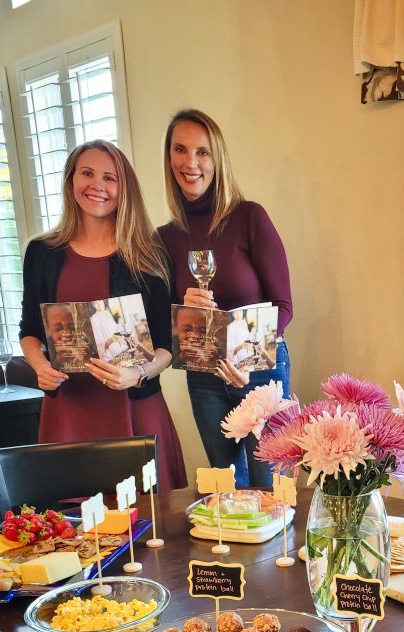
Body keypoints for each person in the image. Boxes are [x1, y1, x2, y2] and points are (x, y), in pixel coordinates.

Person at [19, 140, 187, 492]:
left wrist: (137, 373)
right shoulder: (41, 253)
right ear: (71, 181)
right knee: (76, 531)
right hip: (68, 412)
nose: (97, 185)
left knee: (148, 529)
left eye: (109, 177)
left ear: (123, 189)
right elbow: (31, 331)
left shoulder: (149, 254)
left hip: (134, 409)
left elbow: (168, 343)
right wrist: (39, 367)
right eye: (88, 173)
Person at [158, 108, 292, 488]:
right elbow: (164, 324)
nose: (191, 162)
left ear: (217, 159)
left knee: (269, 486)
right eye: (180, 150)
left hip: (260, 369)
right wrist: (183, 308)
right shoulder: (164, 238)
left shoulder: (249, 217)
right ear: (169, 159)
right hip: (204, 374)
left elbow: (284, 305)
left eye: (202, 152)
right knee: (226, 485)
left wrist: (247, 360)